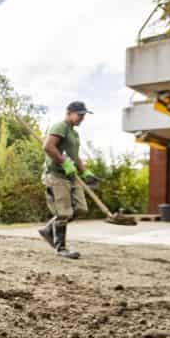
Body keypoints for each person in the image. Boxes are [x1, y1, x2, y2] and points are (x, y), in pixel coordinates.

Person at [38, 101, 96, 259]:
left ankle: (48, 230)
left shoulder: (74, 133)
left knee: (81, 208)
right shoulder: (60, 127)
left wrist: (85, 172)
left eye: (84, 115)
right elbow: (48, 147)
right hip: (56, 175)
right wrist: (63, 162)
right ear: (69, 113)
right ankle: (60, 248)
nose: (82, 118)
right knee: (64, 213)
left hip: (71, 175)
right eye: (80, 114)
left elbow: (75, 156)